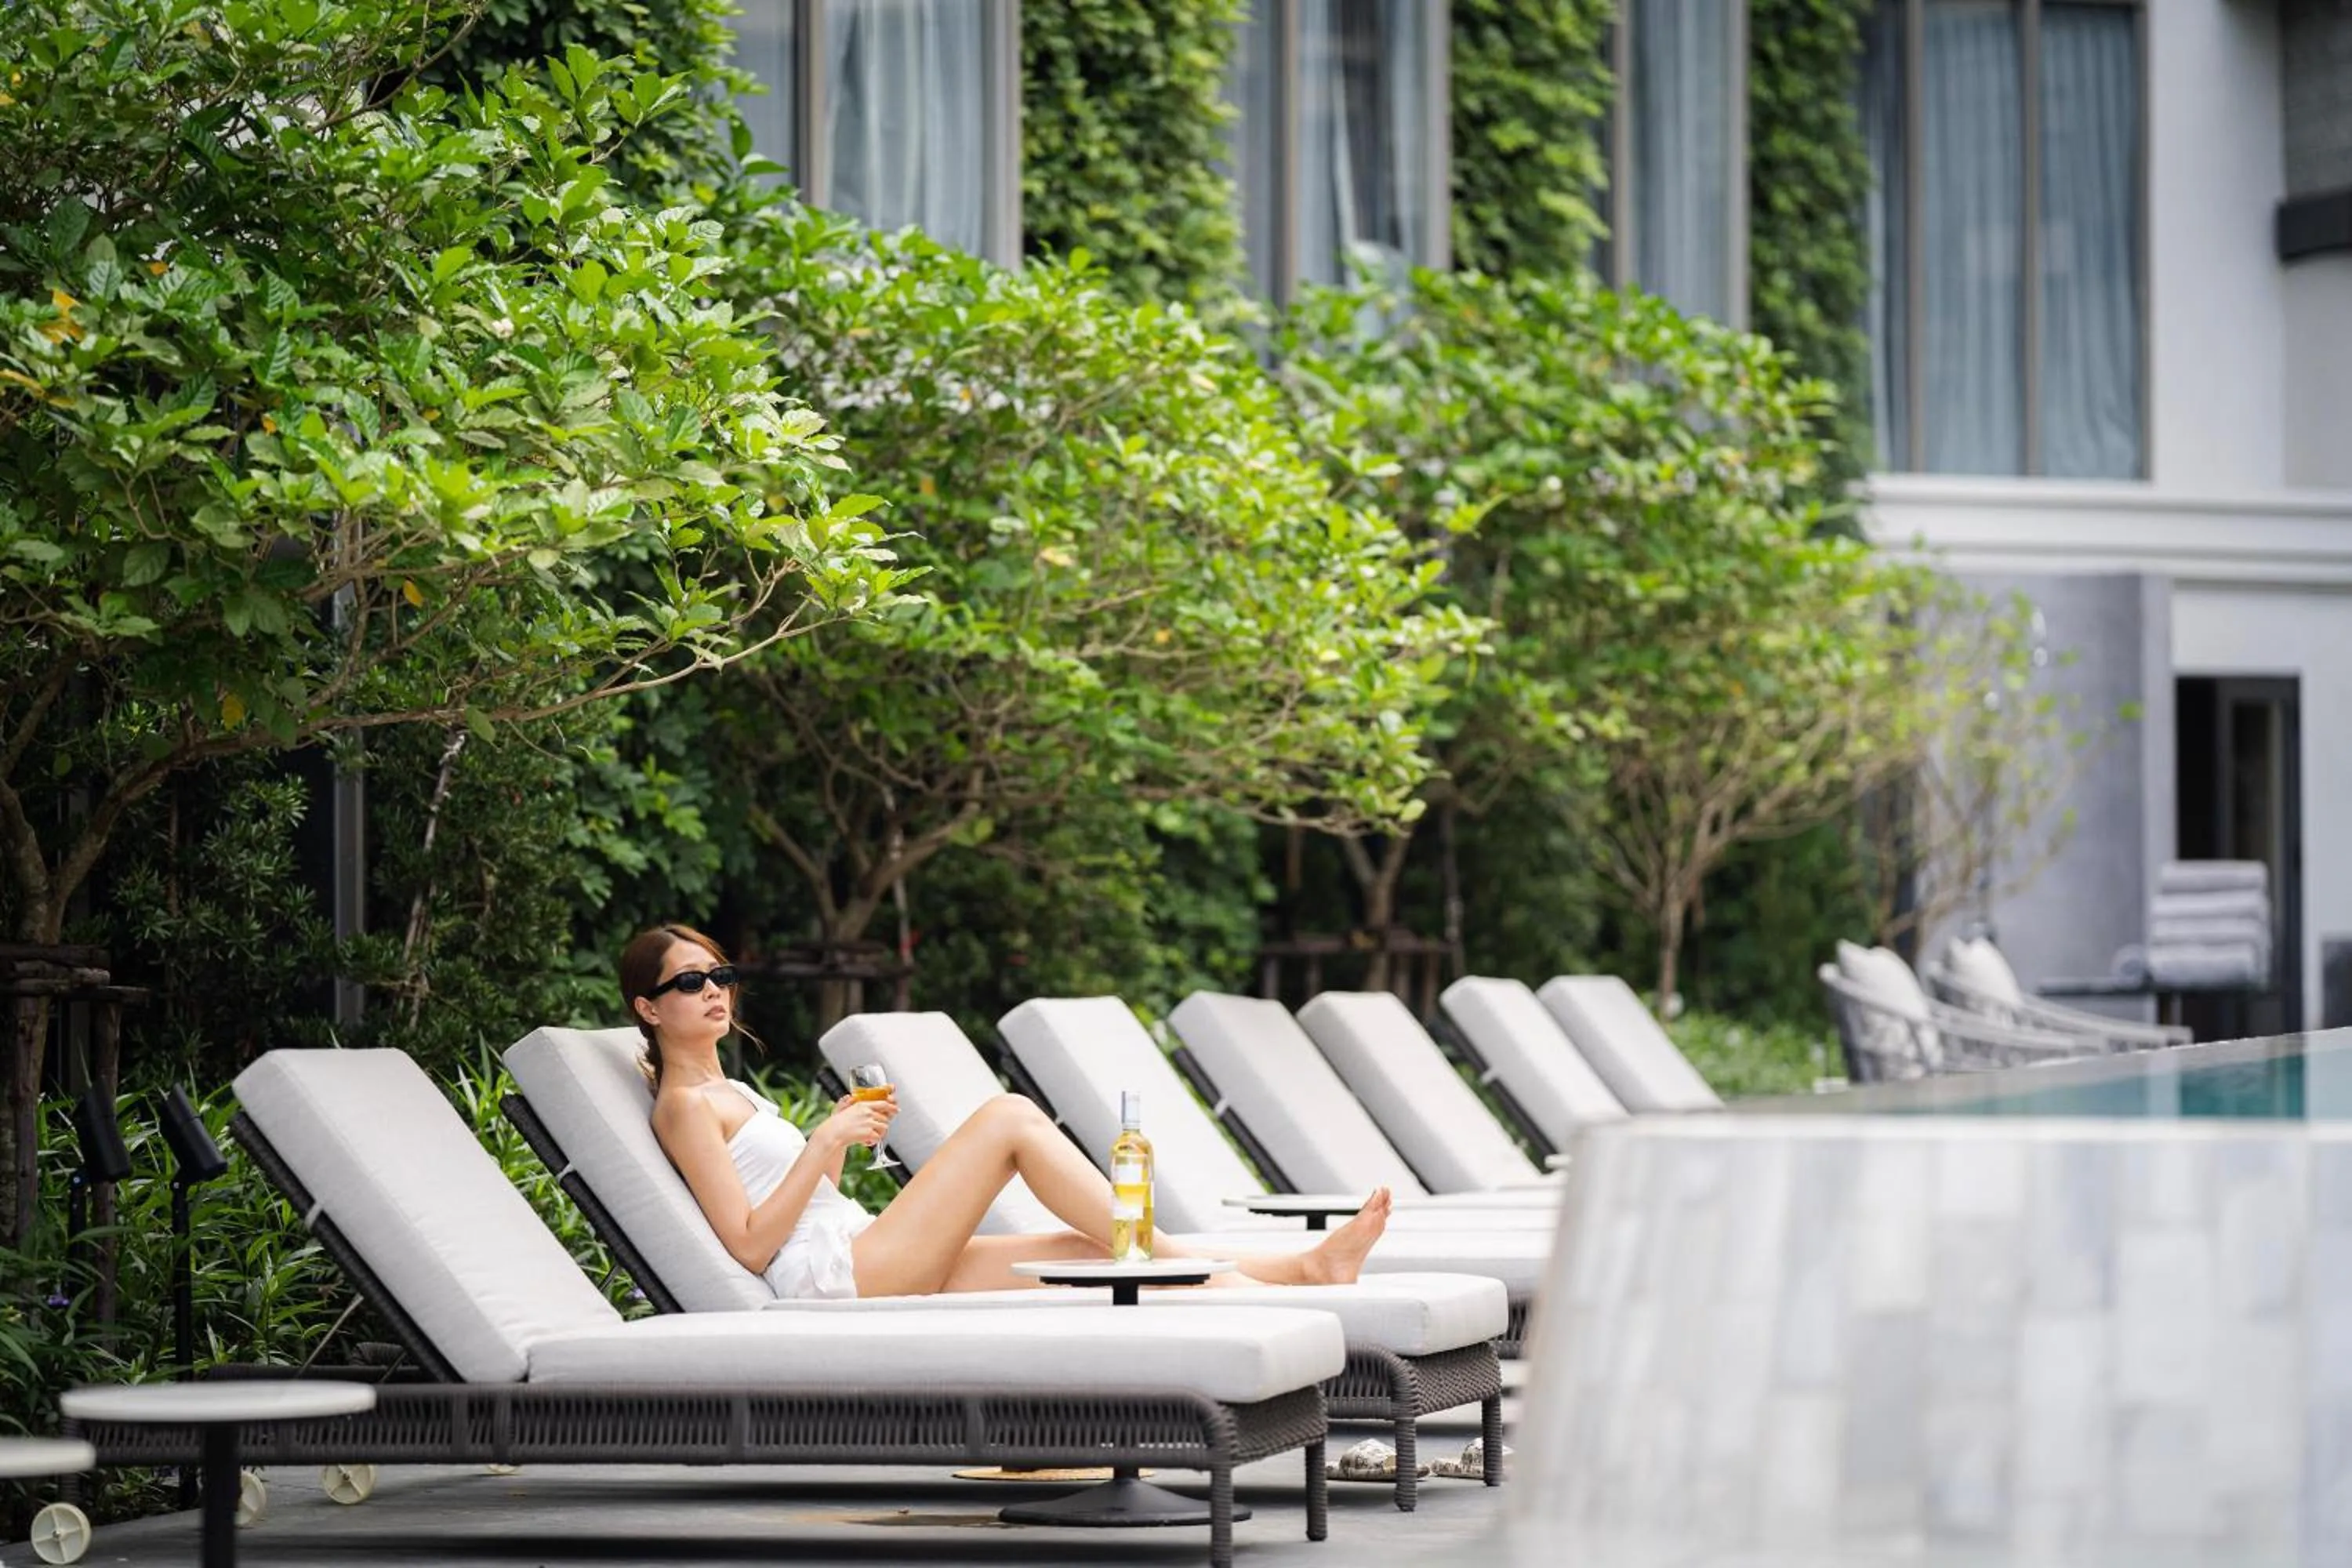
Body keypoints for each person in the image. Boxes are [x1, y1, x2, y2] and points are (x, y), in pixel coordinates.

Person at [623, 923, 1393, 1301]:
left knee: (1081, 1249)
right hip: (834, 1274)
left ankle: (1304, 1267)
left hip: (856, 1240)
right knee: (1009, 1118)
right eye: (690, 983)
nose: (714, 989)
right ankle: (1225, 1281)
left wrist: (840, 1143)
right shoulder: (685, 1105)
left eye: (719, 972)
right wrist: (825, 1131)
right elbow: (751, 1245)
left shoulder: (737, 1092)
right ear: (648, 1008)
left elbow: (793, 1195)